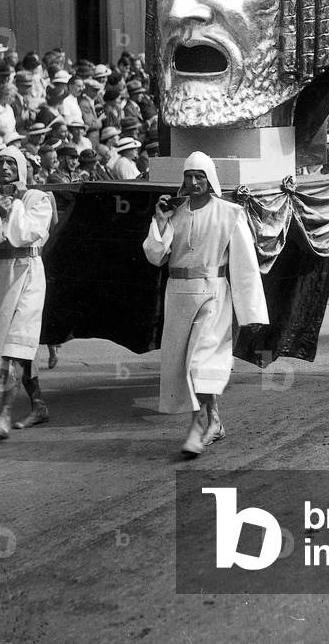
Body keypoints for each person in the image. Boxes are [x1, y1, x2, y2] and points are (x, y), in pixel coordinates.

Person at [142, 152, 268, 456]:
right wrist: (160, 222)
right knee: (183, 364)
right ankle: (214, 421)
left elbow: (245, 265)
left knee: (201, 363)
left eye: (200, 176)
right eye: (189, 176)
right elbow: (155, 255)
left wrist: (250, 311)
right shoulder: (175, 212)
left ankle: (198, 426)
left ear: (210, 179)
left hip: (214, 294)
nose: (194, 182)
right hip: (179, 296)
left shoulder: (230, 214)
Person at [0, 146, 54, 436]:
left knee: (15, 346)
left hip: (29, 273)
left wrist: (14, 206)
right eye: (0, 161)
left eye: (11, 162)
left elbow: (27, 234)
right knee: (17, 343)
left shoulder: (37, 198)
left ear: (21, 167)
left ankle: (4, 415)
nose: (5, 166)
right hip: (1, 276)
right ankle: (39, 405)